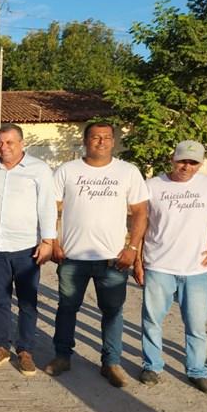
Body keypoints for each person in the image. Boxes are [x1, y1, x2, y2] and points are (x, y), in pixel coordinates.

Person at [44, 122, 148, 388]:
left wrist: (133, 248)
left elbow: (140, 212)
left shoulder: (128, 172)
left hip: (113, 258)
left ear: (113, 141)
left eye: (106, 137)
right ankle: (62, 356)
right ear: (85, 140)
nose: (100, 142)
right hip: (73, 257)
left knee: (112, 311)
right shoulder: (67, 170)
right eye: (95, 137)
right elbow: (50, 206)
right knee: (67, 308)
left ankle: (111, 362)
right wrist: (52, 240)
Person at [136, 141, 207, 394]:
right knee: (152, 320)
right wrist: (138, 261)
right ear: (173, 159)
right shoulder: (152, 186)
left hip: (196, 269)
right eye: (182, 160)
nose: (186, 167)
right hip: (159, 264)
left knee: (196, 325)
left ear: (200, 164)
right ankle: (152, 366)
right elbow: (141, 224)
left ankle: (196, 371)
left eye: (193, 163)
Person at [0, 123, 56, 376]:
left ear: (22, 144)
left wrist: (48, 241)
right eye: (0, 142)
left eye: (9, 142)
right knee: (0, 300)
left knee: (27, 302)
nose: (4, 147)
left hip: (26, 247)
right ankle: (0, 346)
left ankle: (25, 350)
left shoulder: (39, 169)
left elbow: (47, 206)